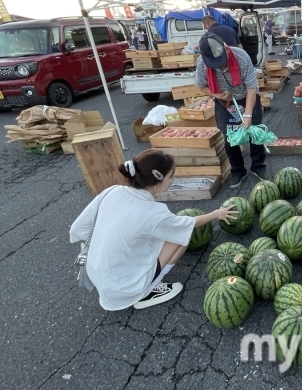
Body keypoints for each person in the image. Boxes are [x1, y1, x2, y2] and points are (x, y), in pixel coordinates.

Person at [69, 150, 237, 311]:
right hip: (124, 286)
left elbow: (79, 228)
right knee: (181, 237)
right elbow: (189, 223)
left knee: (158, 234)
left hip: (96, 273)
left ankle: (133, 272)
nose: (173, 179)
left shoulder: (112, 191)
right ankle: (148, 290)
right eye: (171, 176)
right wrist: (216, 214)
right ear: (159, 178)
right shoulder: (154, 213)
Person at [195, 33, 268, 188]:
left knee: (255, 132)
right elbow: (201, 85)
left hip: (245, 97)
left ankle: (258, 166)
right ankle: (237, 171)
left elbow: (251, 89)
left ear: (226, 49)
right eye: (214, 64)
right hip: (224, 102)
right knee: (230, 137)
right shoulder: (202, 63)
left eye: (221, 62)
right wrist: (217, 95)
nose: (220, 67)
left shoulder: (242, 58)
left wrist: (248, 115)